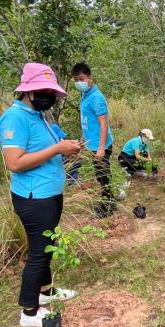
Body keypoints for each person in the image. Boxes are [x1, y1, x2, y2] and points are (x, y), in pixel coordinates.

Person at [0, 63, 81, 327]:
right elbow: (15, 162)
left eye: (51, 92)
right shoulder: (15, 117)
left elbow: (45, 148)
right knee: (38, 254)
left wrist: (65, 147)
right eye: (42, 91)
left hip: (50, 193)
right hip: (34, 198)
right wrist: (57, 149)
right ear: (27, 91)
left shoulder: (38, 115)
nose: (48, 96)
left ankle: (46, 292)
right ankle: (29, 312)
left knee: (47, 247)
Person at [71, 63, 115, 215]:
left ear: (90, 77)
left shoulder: (96, 97)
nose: (79, 82)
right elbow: (87, 120)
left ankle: (108, 207)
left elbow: (103, 123)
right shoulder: (85, 95)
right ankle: (108, 202)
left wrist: (102, 148)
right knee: (100, 175)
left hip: (101, 145)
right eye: (76, 80)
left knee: (103, 175)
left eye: (81, 78)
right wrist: (83, 138)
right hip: (92, 143)